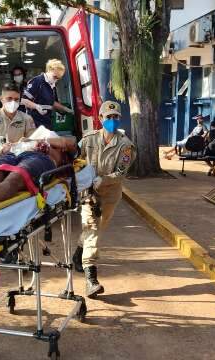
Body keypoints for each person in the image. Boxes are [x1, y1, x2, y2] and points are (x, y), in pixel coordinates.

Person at [73, 101, 136, 298]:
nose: (112, 120)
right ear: (100, 118)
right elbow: (75, 158)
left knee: (97, 228)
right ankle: (91, 279)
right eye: (108, 117)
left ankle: (78, 253)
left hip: (110, 194)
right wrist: (81, 174)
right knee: (92, 230)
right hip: (89, 193)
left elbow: (121, 172)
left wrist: (105, 179)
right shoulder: (88, 139)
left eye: (115, 117)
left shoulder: (126, 146)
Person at [22, 59, 74, 129]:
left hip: (47, 122)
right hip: (34, 123)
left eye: (58, 78)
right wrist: (36, 106)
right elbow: (23, 100)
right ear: (49, 70)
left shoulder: (52, 86)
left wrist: (66, 109)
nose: (56, 80)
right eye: (55, 77)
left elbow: (52, 102)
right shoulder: (37, 82)